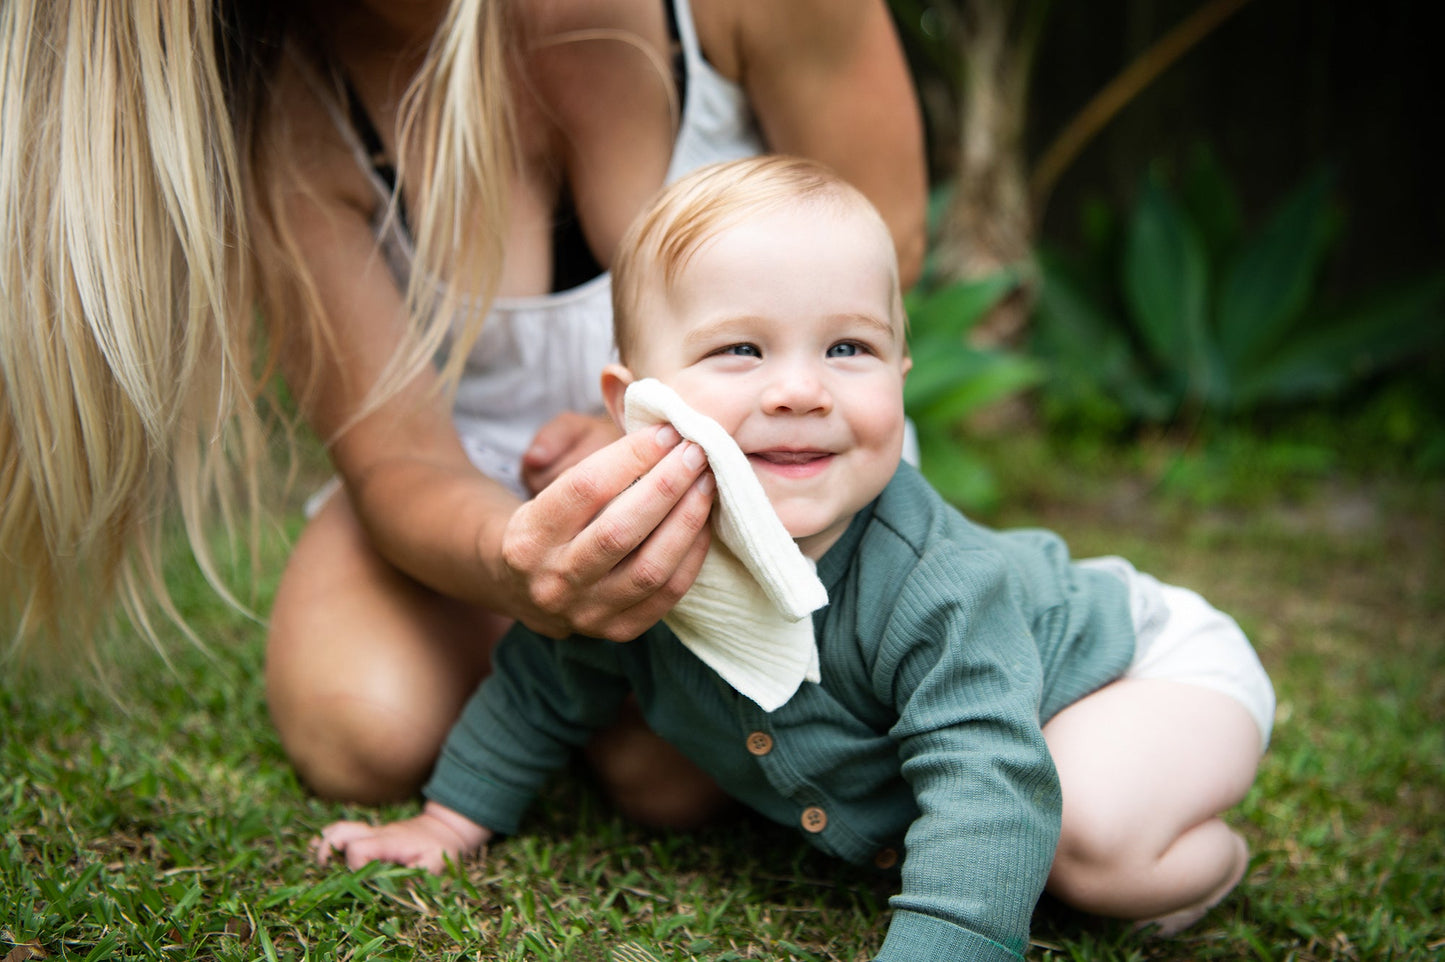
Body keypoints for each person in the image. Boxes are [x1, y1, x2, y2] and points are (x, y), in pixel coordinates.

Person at [315, 157, 1276, 961]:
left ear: (900, 375)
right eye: (739, 348)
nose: (801, 390)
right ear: (634, 398)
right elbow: (543, 679)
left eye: (849, 348)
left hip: (1141, 669)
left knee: (1087, 840)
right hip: (1056, 695)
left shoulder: (936, 586)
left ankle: (1210, 860)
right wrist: (448, 822)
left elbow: (986, 781)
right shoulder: (643, 549)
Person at [0, 0, 926, 821]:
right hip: (473, 467)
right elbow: (398, 457)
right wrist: (521, 561)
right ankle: (557, 660)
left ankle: (578, 686)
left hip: (762, 456)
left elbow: (879, 253)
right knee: (356, 726)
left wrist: (652, 445)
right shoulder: (294, 96)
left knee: (670, 778)